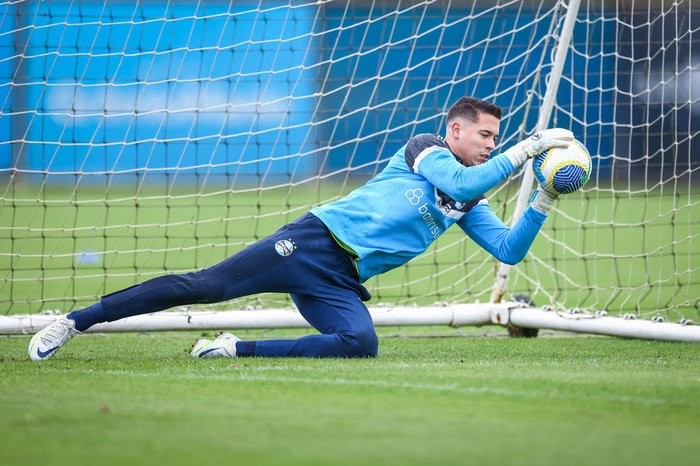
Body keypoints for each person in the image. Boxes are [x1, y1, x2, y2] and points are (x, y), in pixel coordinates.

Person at [28, 97, 572, 361]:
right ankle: (75, 322)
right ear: (455, 129)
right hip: (311, 243)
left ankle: (233, 350)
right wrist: (532, 147)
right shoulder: (426, 151)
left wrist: (543, 196)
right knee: (207, 286)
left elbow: (507, 247)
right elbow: (457, 175)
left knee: (361, 344)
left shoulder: (468, 195)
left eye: (497, 139)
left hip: (340, 280)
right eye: (485, 135)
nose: (491, 144)